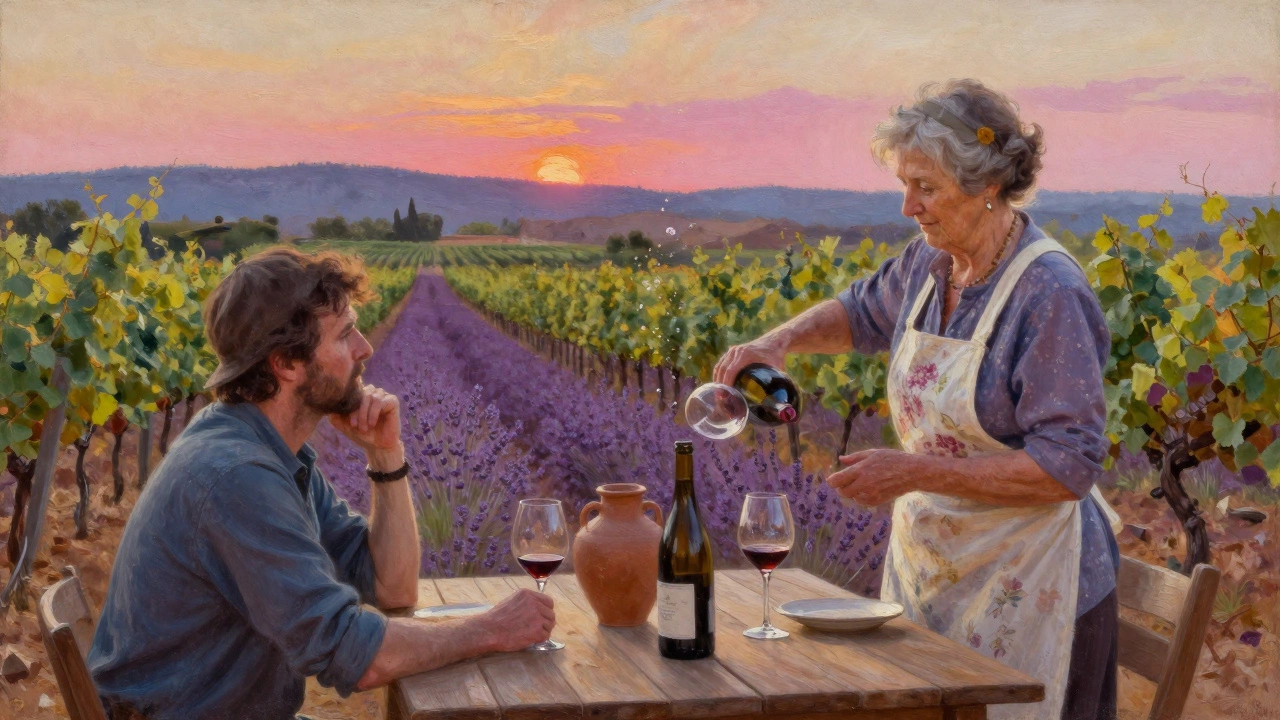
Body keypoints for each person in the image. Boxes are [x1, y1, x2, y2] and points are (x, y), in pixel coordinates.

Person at [714, 79, 1121, 720]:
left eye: (925, 188)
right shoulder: (928, 266)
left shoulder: (1049, 294)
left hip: (1034, 576)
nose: (908, 206)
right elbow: (857, 313)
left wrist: (914, 472)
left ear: (986, 185)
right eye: (905, 184)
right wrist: (778, 341)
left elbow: (1067, 467)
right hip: (938, 568)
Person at [88, 248, 556, 720]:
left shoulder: (267, 451)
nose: (365, 349)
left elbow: (392, 590)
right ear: (287, 364)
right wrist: (490, 629)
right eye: (345, 334)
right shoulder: (236, 476)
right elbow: (356, 655)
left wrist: (385, 455)